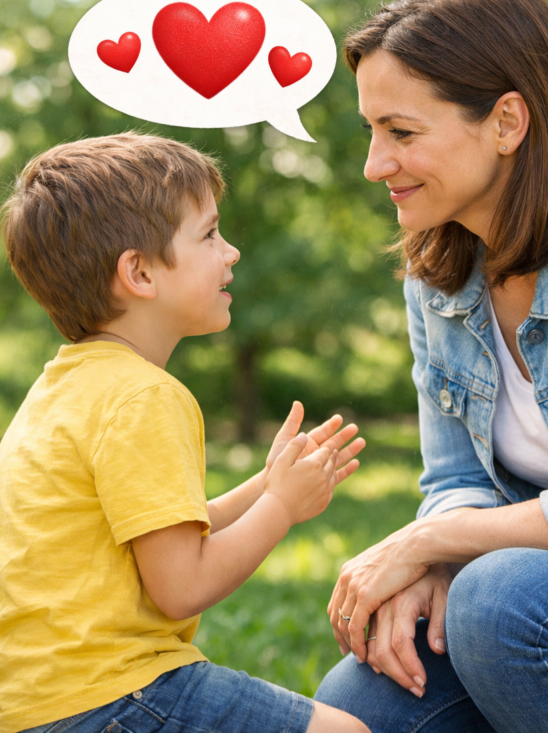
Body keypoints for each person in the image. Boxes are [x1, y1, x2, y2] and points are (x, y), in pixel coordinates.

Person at [315, 0, 548, 733]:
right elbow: (454, 476)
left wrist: (435, 541)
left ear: (507, 122)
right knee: (362, 704)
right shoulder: (441, 266)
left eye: (402, 133)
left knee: (501, 602)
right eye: (371, 131)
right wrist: (439, 555)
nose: (373, 165)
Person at [0, 133, 370, 733]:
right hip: (112, 693)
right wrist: (281, 507)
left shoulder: (61, 390)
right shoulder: (146, 397)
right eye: (209, 235)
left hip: (37, 703)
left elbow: (165, 529)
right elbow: (181, 585)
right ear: (139, 272)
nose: (231, 253)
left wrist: (264, 485)